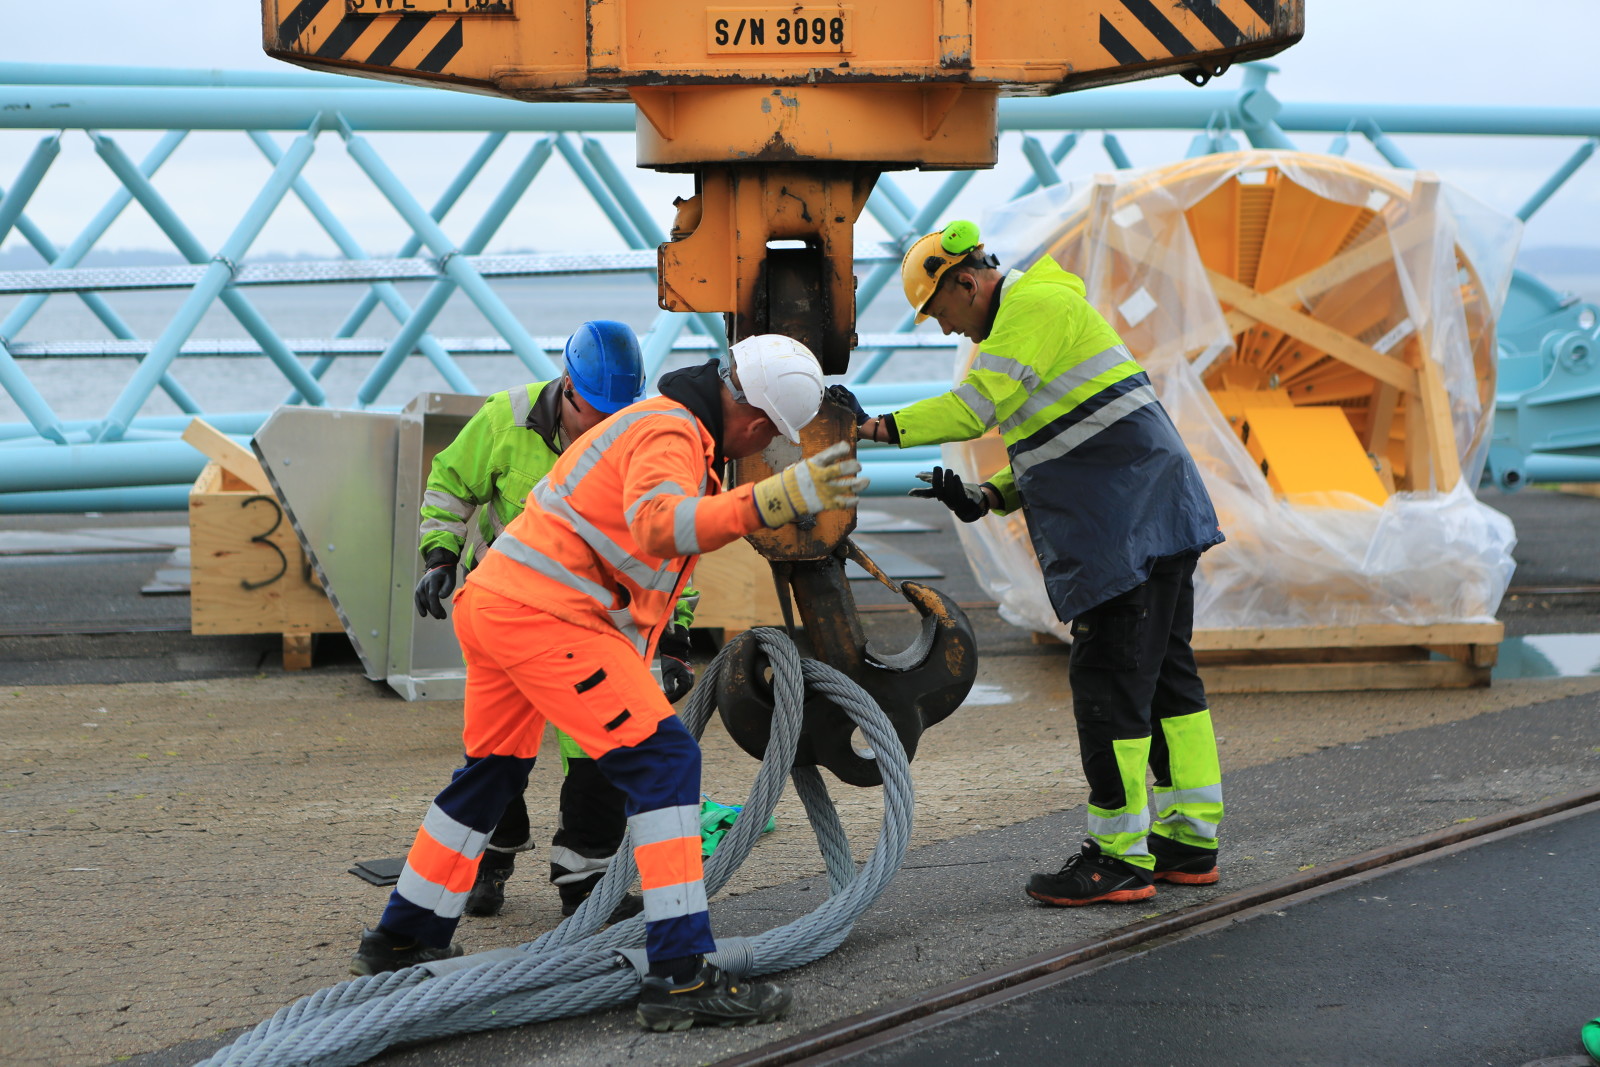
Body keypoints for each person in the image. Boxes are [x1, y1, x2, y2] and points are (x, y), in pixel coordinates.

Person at [354, 333, 867, 1032]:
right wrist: (768, 501)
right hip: (548, 617)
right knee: (665, 762)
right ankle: (681, 977)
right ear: (752, 421)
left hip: (499, 604)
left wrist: (660, 648)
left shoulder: (658, 426)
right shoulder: (670, 432)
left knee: (491, 772)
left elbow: (639, 553)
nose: (763, 446)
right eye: (770, 435)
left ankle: (403, 936)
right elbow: (659, 526)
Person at [832, 219, 1225, 907]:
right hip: (1154, 511)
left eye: (940, 312)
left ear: (966, 282)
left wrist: (871, 428)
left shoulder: (1030, 308)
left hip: (1124, 524)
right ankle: (1189, 840)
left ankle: (1118, 858)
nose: (947, 328)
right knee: (1167, 680)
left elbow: (973, 410)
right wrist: (988, 495)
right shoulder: (1045, 311)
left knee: (1109, 685)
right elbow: (1065, 431)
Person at [413, 319, 697, 922]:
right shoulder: (505, 419)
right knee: (495, 757)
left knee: (598, 762)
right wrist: (440, 555)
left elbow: (668, 544)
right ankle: (491, 864)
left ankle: (584, 888)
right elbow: (448, 484)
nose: (604, 428)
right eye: (594, 412)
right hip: (512, 618)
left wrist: (674, 641)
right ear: (566, 387)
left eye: (616, 414)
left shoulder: (643, 438)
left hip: (593, 632)